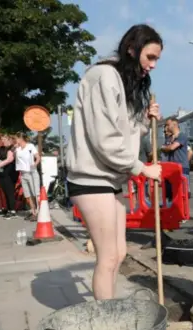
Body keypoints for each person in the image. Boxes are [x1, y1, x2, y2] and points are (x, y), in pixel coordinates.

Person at [65, 24, 163, 300]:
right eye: (150, 57)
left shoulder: (121, 81)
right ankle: (107, 322)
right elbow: (105, 139)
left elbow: (124, 131)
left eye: (157, 59)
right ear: (132, 50)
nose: (153, 65)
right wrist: (142, 168)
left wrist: (144, 118)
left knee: (118, 253)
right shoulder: (103, 77)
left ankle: (110, 310)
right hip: (91, 178)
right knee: (108, 258)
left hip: (110, 179)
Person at [14, 132, 41, 221]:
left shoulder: (30, 146)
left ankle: (39, 212)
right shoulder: (17, 149)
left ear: (21, 138)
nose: (15, 140)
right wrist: (15, 149)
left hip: (31, 172)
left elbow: (38, 157)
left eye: (16, 138)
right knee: (27, 195)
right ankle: (33, 212)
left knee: (35, 193)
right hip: (23, 173)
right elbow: (14, 159)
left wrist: (35, 164)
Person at [0, 134, 18, 219]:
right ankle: (8, 209)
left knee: (10, 191)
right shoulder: (0, 149)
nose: (2, 141)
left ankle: (13, 211)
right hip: (1, 173)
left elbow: (10, 159)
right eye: (2, 139)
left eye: (4, 139)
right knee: (5, 192)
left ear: (9, 139)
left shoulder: (12, 148)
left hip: (10, 172)